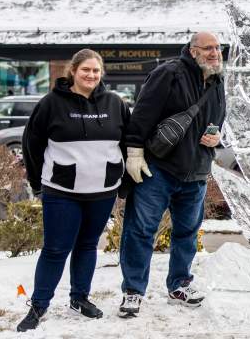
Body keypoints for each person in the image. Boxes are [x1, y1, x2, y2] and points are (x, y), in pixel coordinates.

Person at [18, 49, 130, 332]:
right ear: (73, 71)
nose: (91, 75)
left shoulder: (115, 103)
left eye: (96, 71)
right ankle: (39, 305)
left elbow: (128, 144)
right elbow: (32, 144)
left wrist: (124, 183)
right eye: (85, 70)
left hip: (103, 190)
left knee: (88, 245)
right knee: (56, 249)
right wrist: (36, 183)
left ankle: (79, 298)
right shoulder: (51, 104)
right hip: (62, 191)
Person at [118, 32, 226, 318]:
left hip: (197, 171)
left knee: (187, 233)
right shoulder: (168, 73)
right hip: (160, 168)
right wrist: (134, 152)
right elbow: (142, 114)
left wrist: (218, 138)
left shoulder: (216, 78)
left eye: (217, 48)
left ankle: (179, 284)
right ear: (193, 51)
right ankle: (133, 291)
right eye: (208, 48)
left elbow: (219, 117)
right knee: (141, 231)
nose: (215, 53)